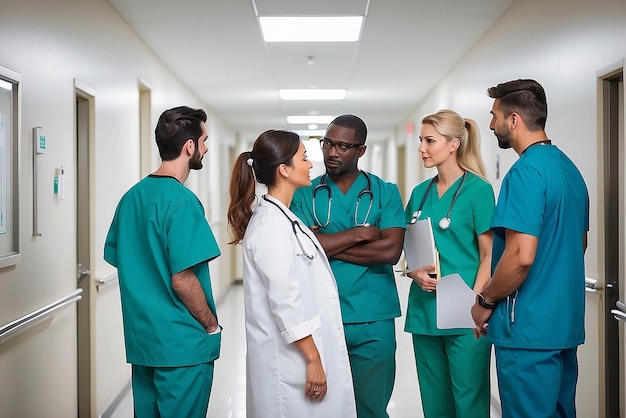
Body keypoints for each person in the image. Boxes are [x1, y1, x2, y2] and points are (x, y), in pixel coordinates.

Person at [471, 79, 589, 418]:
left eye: (494, 116)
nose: (491, 124)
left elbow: (521, 256)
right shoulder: (569, 170)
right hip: (562, 327)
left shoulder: (524, 173)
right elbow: (577, 245)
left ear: (514, 120)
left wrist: (485, 300)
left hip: (526, 333)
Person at [227, 129, 356, 418]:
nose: (311, 164)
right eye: (304, 158)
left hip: (295, 356)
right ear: (284, 170)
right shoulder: (271, 226)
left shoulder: (284, 219)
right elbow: (286, 302)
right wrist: (313, 358)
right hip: (289, 363)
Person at [104, 106, 221, 418]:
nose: (206, 148)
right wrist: (210, 325)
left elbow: (125, 260)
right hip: (182, 346)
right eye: (204, 140)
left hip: (144, 343)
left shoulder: (131, 198)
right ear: (189, 146)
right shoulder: (182, 202)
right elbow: (182, 279)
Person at [291, 114, 406, 418]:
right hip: (321, 318)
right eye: (327, 143)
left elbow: (391, 250)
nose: (331, 152)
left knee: (371, 408)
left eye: (342, 146)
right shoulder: (303, 193)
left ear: (361, 151)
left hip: (373, 320)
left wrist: (324, 243)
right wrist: (358, 235)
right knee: (324, 409)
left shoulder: (385, 192)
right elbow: (301, 250)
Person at [404, 109, 494, 417]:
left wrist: (478, 301)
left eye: (429, 141)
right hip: (424, 308)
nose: (421, 149)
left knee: (468, 399)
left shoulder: (478, 190)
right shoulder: (419, 193)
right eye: (421, 141)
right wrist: (413, 272)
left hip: (464, 305)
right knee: (434, 400)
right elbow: (411, 251)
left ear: (453, 144)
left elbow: (489, 256)